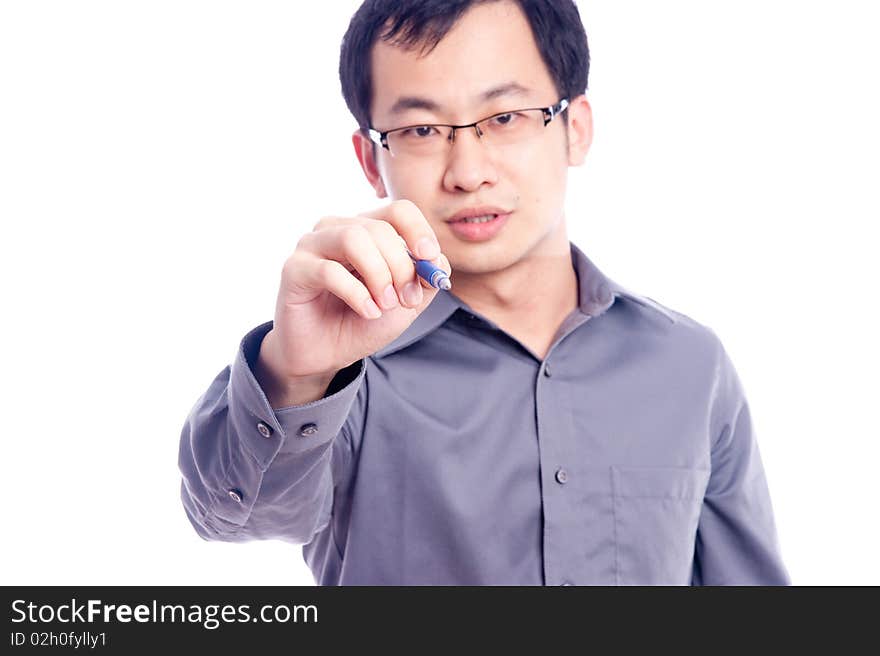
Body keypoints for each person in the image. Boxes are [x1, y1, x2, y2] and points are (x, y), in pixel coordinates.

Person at [178, 0, 790, 585]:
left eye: (504, 118)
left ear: (575, 128)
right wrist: (296, 374)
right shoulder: (344, 375)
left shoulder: (690, 365)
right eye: (420, 128)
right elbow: (238, 515)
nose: (468, 172)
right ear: (370, 160)